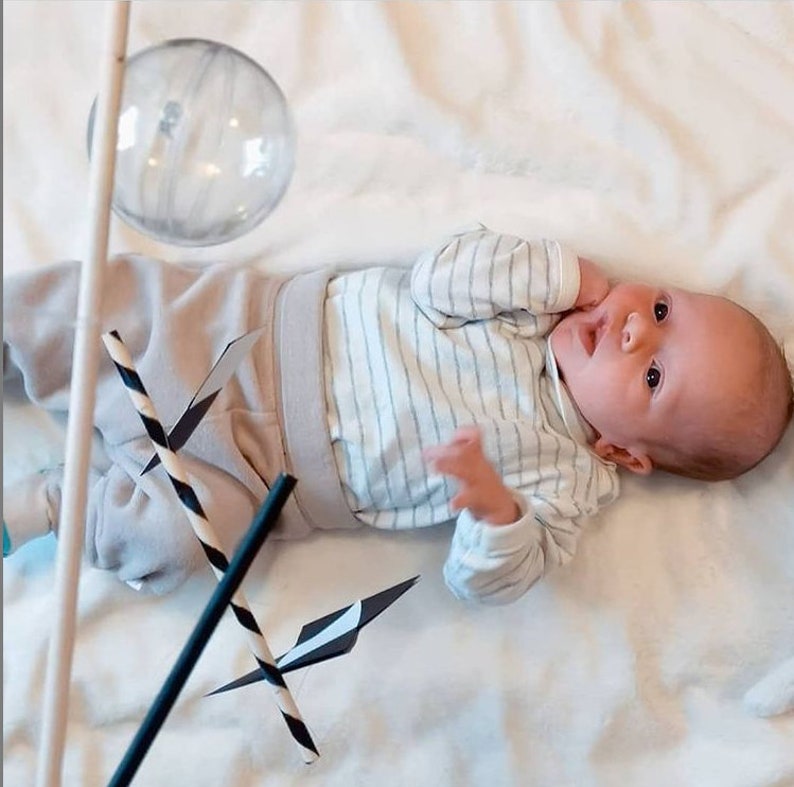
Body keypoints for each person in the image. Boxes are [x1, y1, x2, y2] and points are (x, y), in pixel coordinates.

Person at [3, 225, 792, 603]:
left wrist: (495, 507)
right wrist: (562, 272)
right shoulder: (530, 302)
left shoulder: (568, 480)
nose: (633, 326)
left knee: (176, 544)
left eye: (653, 371)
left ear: (626, 453)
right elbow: (438, 276)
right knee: (98, 311)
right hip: (249, 334)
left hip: (256, 474)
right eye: (660, 307)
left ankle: (53, 504)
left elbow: (488, 582)